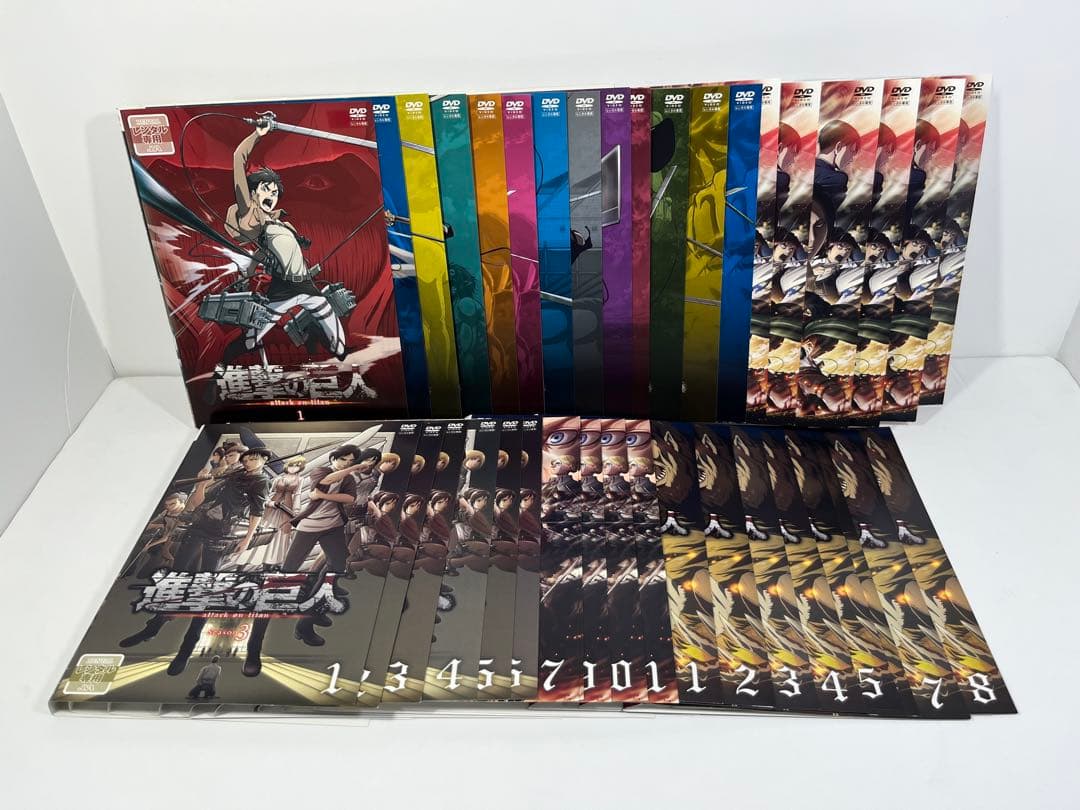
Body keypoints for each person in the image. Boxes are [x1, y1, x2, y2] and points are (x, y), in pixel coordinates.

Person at [217, 117, 352, 364]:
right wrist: (258, 134)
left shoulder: (282, 224)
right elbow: (238, 158)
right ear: (253, 192)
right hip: (282, 290)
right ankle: (224, 362)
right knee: (251, 340)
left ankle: (328, 343)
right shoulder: (251, 216)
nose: (271, 195)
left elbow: (278, 253)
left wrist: (300, 242)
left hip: (307, 286)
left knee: (340, 345)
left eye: (274, 192)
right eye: (265, 189)